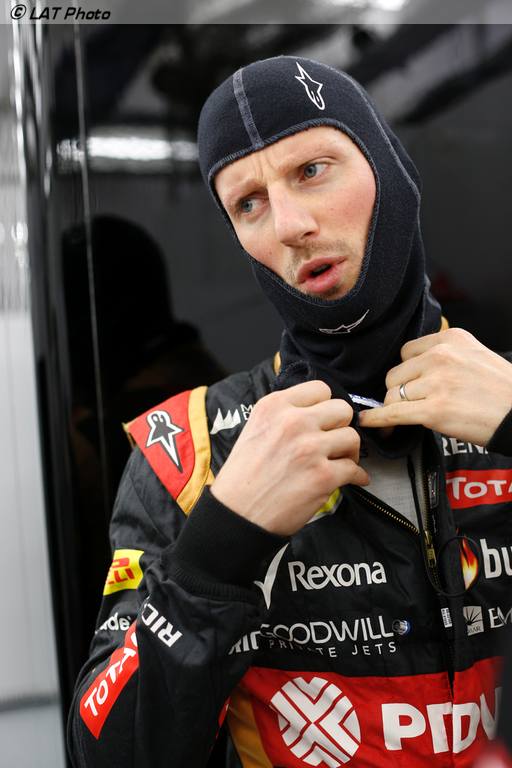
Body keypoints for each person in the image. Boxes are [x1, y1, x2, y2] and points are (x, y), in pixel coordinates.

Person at [67, 56, 512, 767]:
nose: (290, 225)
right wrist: (215, 552)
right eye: (249, 203)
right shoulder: (187, 450)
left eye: (312, 170)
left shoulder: (505, 392)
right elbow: (107, 757)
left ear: (389, 169)